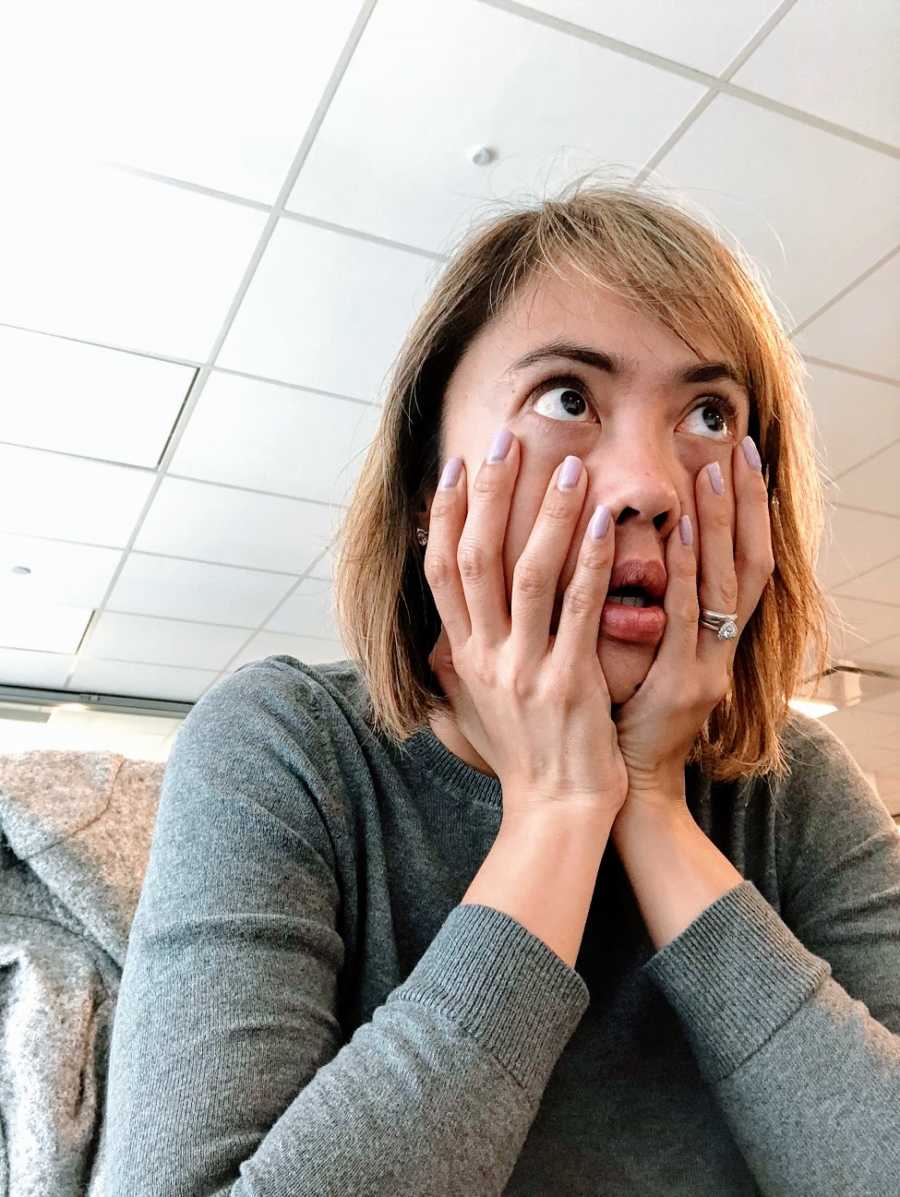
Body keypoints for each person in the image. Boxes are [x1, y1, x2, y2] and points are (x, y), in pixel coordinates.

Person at [104, 181, 900, 1196]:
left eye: (708, 414)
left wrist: (651, 805)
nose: (650, 487)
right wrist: (560, 811)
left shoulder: (794, 785)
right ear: (426, 484)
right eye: (568, 397)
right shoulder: (286, 747)